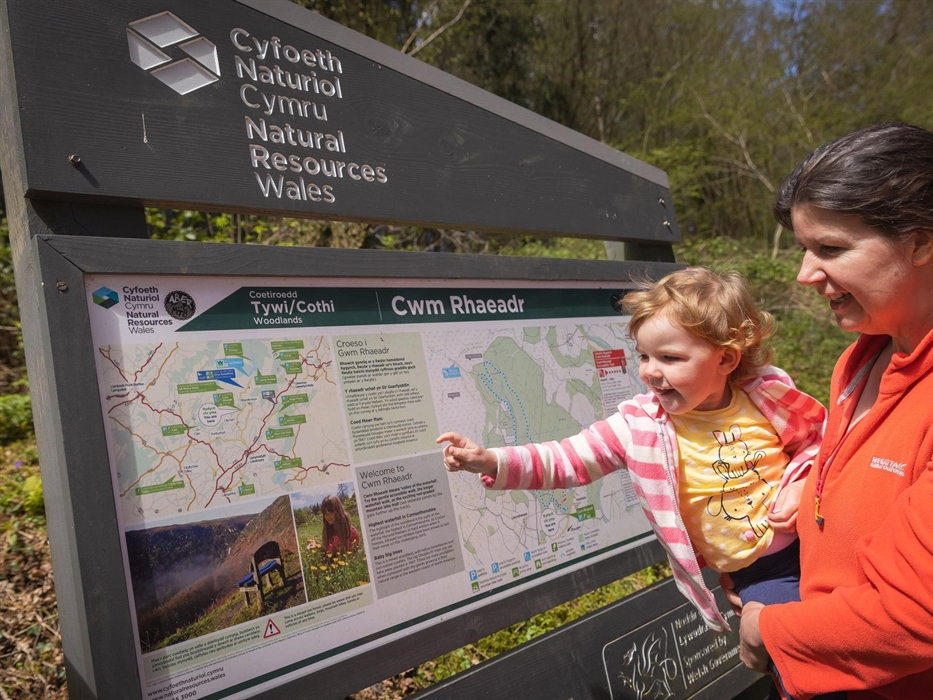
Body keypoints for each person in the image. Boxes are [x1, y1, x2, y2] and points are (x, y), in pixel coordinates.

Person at [437, 267, 826, 634]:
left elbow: (817, 445)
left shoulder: (766, 396)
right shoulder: (638, 426)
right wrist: (490, 460)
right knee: (791, 650)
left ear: (725, 358)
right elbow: (567, 459)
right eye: (644, 355)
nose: (649, 371)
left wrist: (800, 482)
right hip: (764, 572)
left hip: (819, 537)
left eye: (669, 358)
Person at [732, 122, 933, 699]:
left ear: (920, 243)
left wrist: (769, 627)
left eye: (831, 249)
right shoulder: (861, 357)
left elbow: (914, 616)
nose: (804, 274)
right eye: (803, 248)